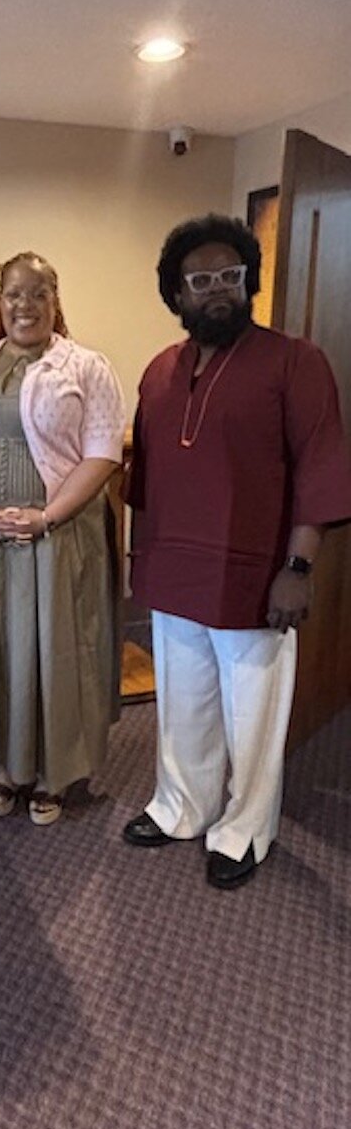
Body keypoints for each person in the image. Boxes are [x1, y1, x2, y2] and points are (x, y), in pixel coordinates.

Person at [122, 213, 351, 888]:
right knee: (182, 702)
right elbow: (146, 478)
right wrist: (141, 561)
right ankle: (181, 806)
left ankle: (245, 828)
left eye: (231, 274)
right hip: (174, 570)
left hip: (256, 576)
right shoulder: (159, 372)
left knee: (252, 714)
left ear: (249, 280)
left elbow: (320, 467)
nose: (218, 288)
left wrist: (298, 567)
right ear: (176, 293)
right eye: (201, 280)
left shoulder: (295, 362)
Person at [0, 251, 125, 825]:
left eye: (39, 293)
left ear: (55, 300)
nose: (26, 305)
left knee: (56, 653)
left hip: (59, 537)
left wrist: (48, 516)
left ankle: (53, 775)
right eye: (14, 293)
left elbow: (102, 454)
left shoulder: (86, 367)